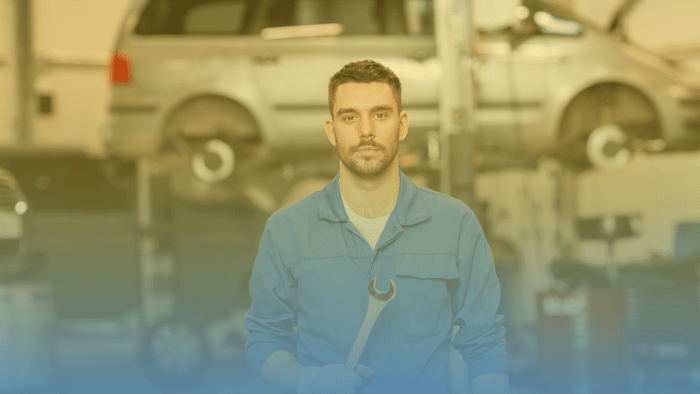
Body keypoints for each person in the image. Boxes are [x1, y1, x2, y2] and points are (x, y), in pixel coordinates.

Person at [244, 60, 509, 394]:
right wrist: (307, 380)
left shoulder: (455, 223)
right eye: (350, 117)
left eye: (380, 115)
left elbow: (483, 343)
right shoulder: (286, 229)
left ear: (402, 125)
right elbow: (264, 340)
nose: (365, 130)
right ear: (331, 130)